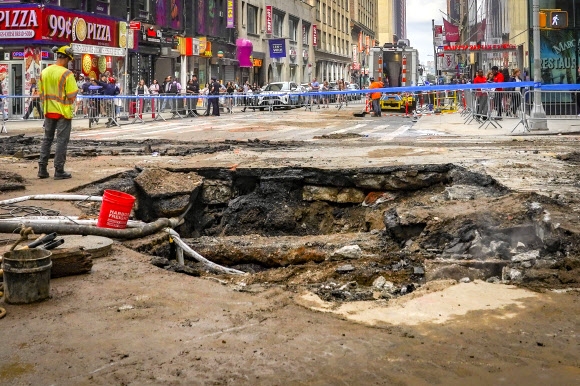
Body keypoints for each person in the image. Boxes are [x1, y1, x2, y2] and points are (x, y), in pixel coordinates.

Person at [37, 45, 78, 180]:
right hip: (63, 112)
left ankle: (42, 169)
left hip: (49, 111)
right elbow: (72, 95)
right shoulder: (67, 74)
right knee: (61, 141)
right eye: (69, 60)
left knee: (47, 139)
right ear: (66, 58)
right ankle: (59, 170)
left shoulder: (45, 72)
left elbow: (41, 92)